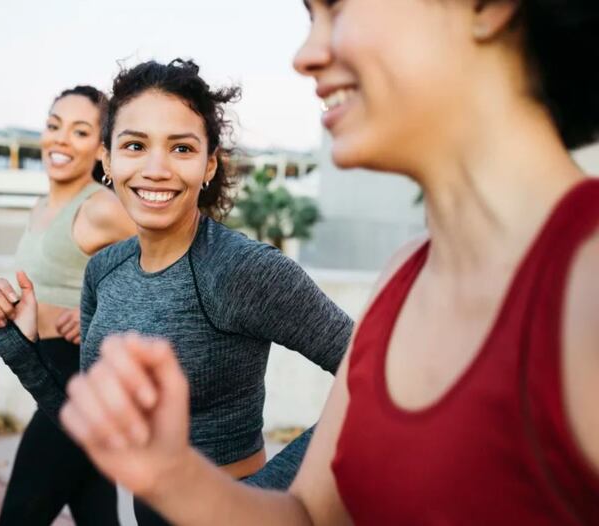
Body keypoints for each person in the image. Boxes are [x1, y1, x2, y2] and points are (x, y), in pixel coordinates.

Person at [57, 0, 599, 524]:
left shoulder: (587, 281)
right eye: (311, 16)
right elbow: (309, 516)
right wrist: (172, 475)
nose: (306, 55)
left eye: (337, 8)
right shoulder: (404, 279)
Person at [0, 59, 353, 525]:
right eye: (135, 145)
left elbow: (371, 377)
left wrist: (261, 499)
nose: (156, 169)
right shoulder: (104, 270)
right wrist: (24, 350)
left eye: (181, 148)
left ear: (209, 163)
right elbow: (100, 433)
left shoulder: (240, 268)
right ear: (108, 161)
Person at [0, 85, 136, 525]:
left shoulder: (100, 207)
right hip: (50, 375)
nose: (61, 140)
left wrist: (104, 320)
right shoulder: (41, 207)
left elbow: (173, 260)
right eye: (54, 126)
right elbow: (32, 306)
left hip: (80, 381)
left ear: (101, 149)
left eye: (80, 131)